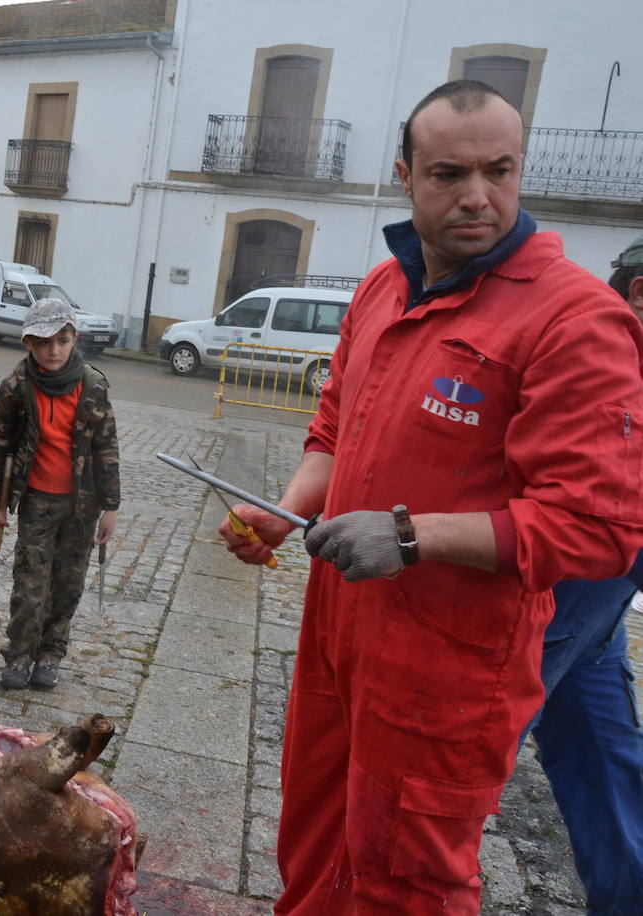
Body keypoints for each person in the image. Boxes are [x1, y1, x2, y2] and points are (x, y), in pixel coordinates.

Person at [218, 80, 643, 915]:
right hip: (341, 634)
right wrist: (290, 504)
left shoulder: (572, 320)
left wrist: (412, 538)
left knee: (405, 879)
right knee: (314, 846)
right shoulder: (383, 290)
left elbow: (598, 527)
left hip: (447, 667)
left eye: (499, 170)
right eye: (449, 173)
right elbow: (336, 425)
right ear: (407, 176)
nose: (477, 196)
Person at [524, 232, 643, 914]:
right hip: (527, 622)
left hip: (593, 631)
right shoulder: (587, 356)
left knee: (613, 792)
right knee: (441, 801)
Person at [0, 298, 119, 690]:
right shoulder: (18, 385)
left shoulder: (92, 385)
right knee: (30, 582)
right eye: (43, 342)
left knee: (68, 582)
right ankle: (20, 655)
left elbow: (106, 448)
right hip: (37, 500)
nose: (54, 350)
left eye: (62, 340)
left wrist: (111, 505)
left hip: (83, 504)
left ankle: (49, 653)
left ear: (74, 338)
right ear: (28, 343)